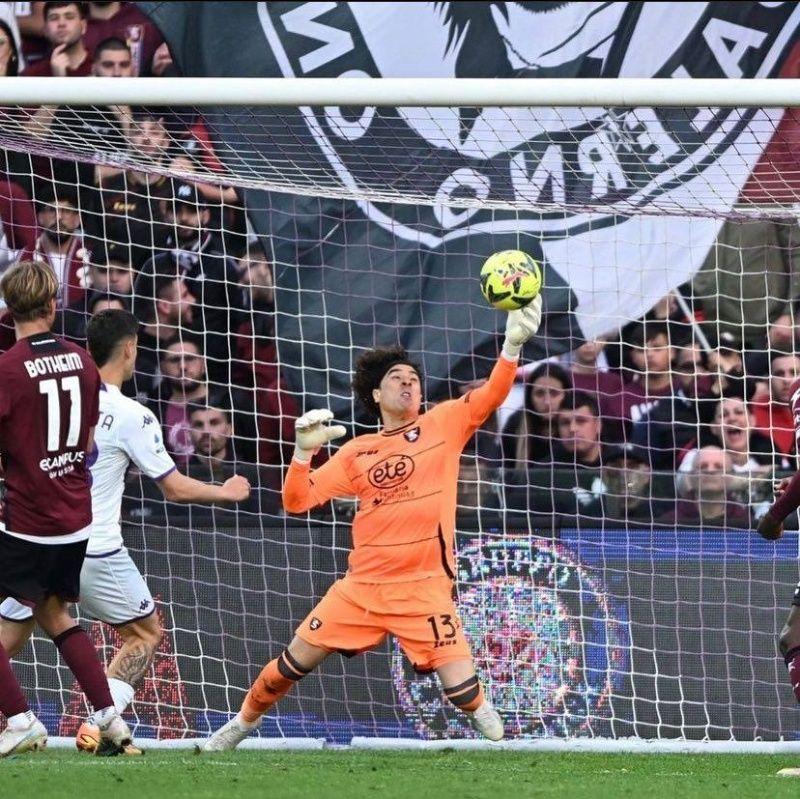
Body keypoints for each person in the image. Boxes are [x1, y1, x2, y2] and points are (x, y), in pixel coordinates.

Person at [199, 297, 543, 750]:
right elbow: (296, 501)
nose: (408, 382)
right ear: (376, 395)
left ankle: (498, 734)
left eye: (413, 377)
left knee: (465, 696)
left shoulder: (444, 422)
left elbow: (491, 395)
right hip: (361, 587)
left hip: (423, 586)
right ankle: (240, 725)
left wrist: (512, 347)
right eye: (396, 377)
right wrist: (302, 454)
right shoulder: (356, 452)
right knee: (288, 667)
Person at [0, 308, 251, 752]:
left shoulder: (49, 395)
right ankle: (102, 722)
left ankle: (54, 721)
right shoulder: (131, 413)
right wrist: (225, 492)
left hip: (37, 536)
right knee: (145, 632)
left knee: (10, 640)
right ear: (131, 348)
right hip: (93, 548)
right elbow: (174, 488)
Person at [0, 260, 132, 756]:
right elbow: (89, 442)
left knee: (49, 613)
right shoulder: (81, 360)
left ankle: (20, 720)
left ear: (9, 310)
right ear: (53, 306)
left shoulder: (7, 369)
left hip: (28, 521)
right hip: (75, 519)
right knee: (55, 614)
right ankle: (110, 717)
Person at [500, 361, 571, 469]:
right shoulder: (515, 424)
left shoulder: (576, 425)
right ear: (529, 397)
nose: (547, 402)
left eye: (554, 393)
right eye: (539, 394)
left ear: (567, 394)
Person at [666, 445, 751, 529]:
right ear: (691, 476)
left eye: (718, 467)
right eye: (703, 466)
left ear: (731, 477)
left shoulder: (747, 523)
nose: (710, 471)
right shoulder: (667, 524)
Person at [20, 1, 90, 76]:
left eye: (69, 17)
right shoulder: (31, 75)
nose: (61, 23)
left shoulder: (97, 65)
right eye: (54, 18)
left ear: (83, 26)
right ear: (45, 29)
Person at [751, 351, 800, 456]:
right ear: (768, 380)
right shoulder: (752, 414)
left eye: (794, 373)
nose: (786, 380)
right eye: (779, 374)